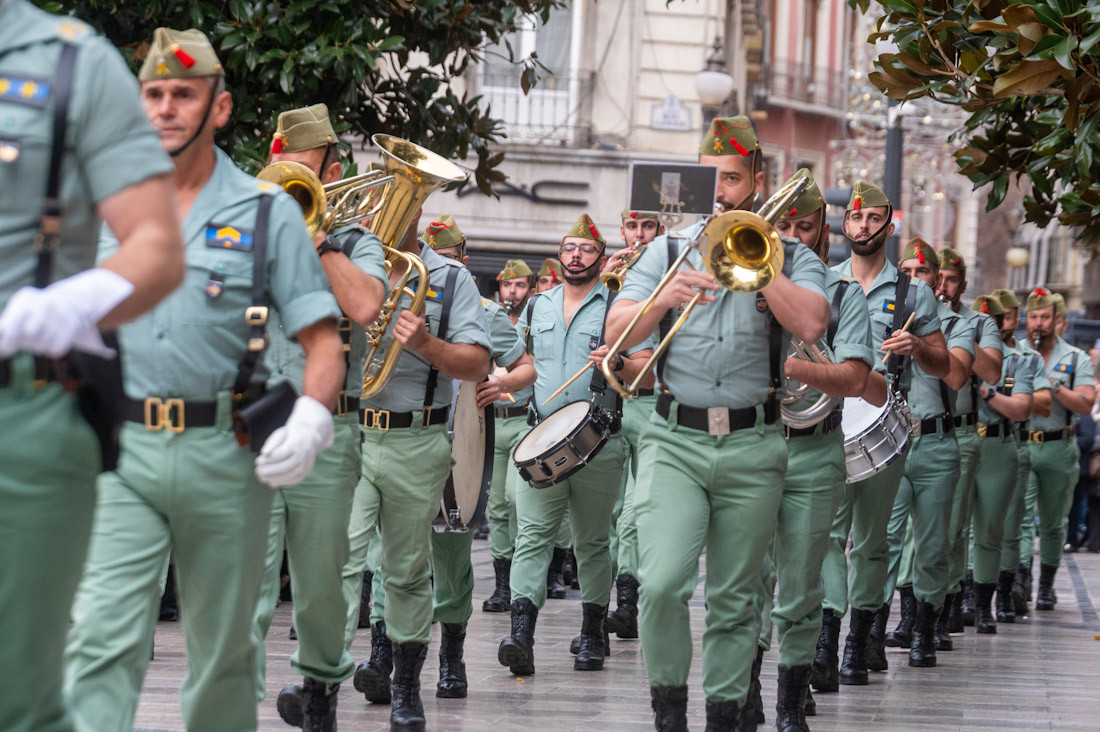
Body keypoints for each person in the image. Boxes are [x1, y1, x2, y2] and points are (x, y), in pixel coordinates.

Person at [63, 28, 345, 732]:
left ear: (217, 108)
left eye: (182, 94)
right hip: (121, 453)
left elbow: (322, 340)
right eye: (153, 94)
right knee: (99, 640)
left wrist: (312, 417)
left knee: (223, 655)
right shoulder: (104, 207)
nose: (165, 108)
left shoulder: (267, 213)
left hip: (225, 451)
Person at [606, 116, 830, 729]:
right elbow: (614, 330)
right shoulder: (667, 249)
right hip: (674, 438)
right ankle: (669, 714)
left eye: (731, 179)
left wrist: (758, 261)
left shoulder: (791, 257)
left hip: (756, 444)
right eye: (711, 180)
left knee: (736, 600)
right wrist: (665, 296)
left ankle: (725, 717)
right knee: (660, 584)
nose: (722, 192)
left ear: (757, 180)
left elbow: (811, 325)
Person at [0, 6, 184, 730]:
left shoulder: (73, 62)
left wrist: (53, 311)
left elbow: (156, 248)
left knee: (17, 701)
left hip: (21, 414)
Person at [249, 103, 388, 729]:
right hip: (245, 424)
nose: (294, 180)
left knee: (322, 582)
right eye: (285, 169)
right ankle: (230, 697)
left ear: (332, 169)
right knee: (240, 577)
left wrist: (320, 239)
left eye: (306, 171)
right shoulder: (238, 228)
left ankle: (321, 692)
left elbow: (366, 306)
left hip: (329, 428)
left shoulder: (355, 240)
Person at [341, 207, 491, 728]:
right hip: (351, 432)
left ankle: (406, 687)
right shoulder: (344, 264)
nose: (386, 211)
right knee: (338, 557)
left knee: (406, 571)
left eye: (402, 197)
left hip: (415, 437)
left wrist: (425, 343)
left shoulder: (450, 279)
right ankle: (320, 679)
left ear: (418, 207)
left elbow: (477, 364)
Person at [497, 213, 652, 677]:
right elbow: (527, 368)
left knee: (591, 542)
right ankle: (520, 635)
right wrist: (501, 382)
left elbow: (644, 369)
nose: (576, 255)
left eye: (585, 249)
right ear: (560, 255)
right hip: (541, 434)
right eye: (569, 248)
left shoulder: (619, 306)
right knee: (532, 537)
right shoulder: (538, 306)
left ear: (600, 257)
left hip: (599, 438)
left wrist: (618, 361)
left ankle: (591, 633)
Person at [816, 186, 945, 691]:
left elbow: (947, 368)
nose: (864, 226)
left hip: (884, 426)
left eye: (874, 218)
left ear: (889, 227)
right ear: (844, 227)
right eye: (856, 217)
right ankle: (827, 638)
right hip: (827, 422)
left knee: (872, 543)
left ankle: (858, 640)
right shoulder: (823, 286)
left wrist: (917, 347)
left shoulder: (913, 294)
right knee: (827, 536)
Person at [757, 170, 873, 730]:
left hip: (814, 447)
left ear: (824, 232)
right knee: (747, 577)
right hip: (753, 444)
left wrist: (787, 368)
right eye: (782, 225)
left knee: (802, 582)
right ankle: (745, 693)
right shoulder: (742, 285)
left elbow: (852, 378)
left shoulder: (844, 293)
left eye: (805, 227)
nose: (793, 236)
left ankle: (789, 700)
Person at [417, 218, 536, 698]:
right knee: (385, 557)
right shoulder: (397, 289)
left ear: (463, 265)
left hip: (458, 450)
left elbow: (526, 365)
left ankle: (451, 656)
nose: (442, 273)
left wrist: (502, 382)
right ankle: (383, 654)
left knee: (449, 556)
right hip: (404, 438)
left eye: (450, 263)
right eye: (436, 262)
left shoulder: (483, 310)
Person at [880, 239, 972, 667]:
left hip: (936, 442)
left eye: (923, 272)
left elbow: (956, 377)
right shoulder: (881, 310)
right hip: (890, 440)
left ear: (938, 279)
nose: (915, 279)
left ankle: (924, 631)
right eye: (908, 272)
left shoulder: (958, 324)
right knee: (880, 541)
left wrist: (920, 345)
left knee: (934, 544)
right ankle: (871, 633)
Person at [931, 247, 1002, 632]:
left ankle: (947, 604)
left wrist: (953, 333)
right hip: (919, 428)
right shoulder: (911, 311)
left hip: (960, 429)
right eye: (937, 277)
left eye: (951, 280)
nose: (942, 286)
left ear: (962, 284)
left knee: (952, 527)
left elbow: (991, 371)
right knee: (921, 529)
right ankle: (926, 609)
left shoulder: (977, 323)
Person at [607, 207, 666, 642]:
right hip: (610, 407)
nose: (639, 235)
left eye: (648, 226)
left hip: (651, 404)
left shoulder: (669, 271)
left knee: (632, 513)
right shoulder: (611, 275)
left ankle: (627, 601)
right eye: (633, 226)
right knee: (610, 515)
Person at [1022, 287, 1095, 611]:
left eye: (1045, 317)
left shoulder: (1075, 357)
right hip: (1022, 444)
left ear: (1056, 320)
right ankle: (1020, 581)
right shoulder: (1016, 352)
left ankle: (1046, 585)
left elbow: (1085, 401)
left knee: (1053, 522)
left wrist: (1052, 384)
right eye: (1034, 317)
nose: (1039, 323)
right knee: (1021, 519)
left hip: (1058, 446)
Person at [967, 294, 1033, 633]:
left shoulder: (1017, 359)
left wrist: (989, 394)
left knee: (994, 530)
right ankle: (955, 601)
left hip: (998, 443)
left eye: (987, 324)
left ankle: (985, 605)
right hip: (963, 441)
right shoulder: (956, 349)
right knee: (954, 530)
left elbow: (1021, 409)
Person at [986, 287, 1046, 618]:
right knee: (970, 528)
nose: (999, 324)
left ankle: (1010, 587)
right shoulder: (973, 351)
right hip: (974, 442)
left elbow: (1041, 402)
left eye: (1006, 317)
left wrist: (995, 396)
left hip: (1014, 442)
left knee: (1012, 524)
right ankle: (970, 596)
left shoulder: (1027, 358)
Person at [483, 258, 537, 613]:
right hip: (492, 419)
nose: (511, 291)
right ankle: (502, 585)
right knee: (496, 506)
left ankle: (524, 576)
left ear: (530, 290)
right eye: (507, 285)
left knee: (516, 500)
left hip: (521, 419)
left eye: (519, 286)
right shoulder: (486, 316)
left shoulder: (533, 322)